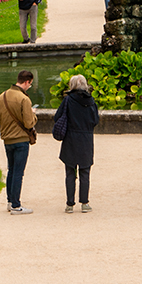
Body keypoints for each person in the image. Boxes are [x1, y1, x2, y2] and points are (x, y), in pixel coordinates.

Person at [55, 74, 100, 213]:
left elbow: (57, 117)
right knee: (85, 171)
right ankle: (85, 203)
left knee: (70, 171)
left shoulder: (68, 100)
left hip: (71, 138)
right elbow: (95, 120)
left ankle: (69, 204)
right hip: (86, 138)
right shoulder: (91, 101)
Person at [0, 70, 37, 214]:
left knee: (11, 170)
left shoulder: (2, 96)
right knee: (19, 172)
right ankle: (16, 205)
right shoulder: (24, 99)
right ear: (27, 82)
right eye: (30, 84)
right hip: (21, 139)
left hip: (7, 139)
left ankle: (10, 201)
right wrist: (34, 115)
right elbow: (28, 123)